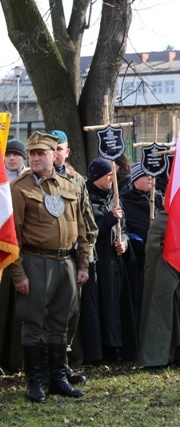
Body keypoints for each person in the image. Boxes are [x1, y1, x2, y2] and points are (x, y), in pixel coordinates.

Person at [8, 131, 90, 402]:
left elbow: (82, 230)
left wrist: (82, 264)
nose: (36, 158)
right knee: (33, 323)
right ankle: (35, 381)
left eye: (41, 153)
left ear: (54, 155)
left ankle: (58, 378)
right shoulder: (20, 189)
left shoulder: (69, 186)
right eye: (32, 154)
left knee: (60, 323)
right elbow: (11, 236)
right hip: (35, 262)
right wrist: (19, 273)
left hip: (66, 262)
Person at [48, 129, 99, 381]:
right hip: (44, 258)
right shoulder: (33, 178)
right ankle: (46, 367)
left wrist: (84, 262)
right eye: (52, 148)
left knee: (70, 312)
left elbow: (88, 223)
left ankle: (63, 363)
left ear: (67, 152)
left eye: (60, 148)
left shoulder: (77, 180)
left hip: (71, 256)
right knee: (46, 314)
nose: (56, 152)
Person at [81, 158, 137, 364]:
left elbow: (125, 228)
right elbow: (90, 229)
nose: (113, 180)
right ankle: (101, 351)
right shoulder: (86, 198)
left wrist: (124, 241)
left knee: (117, 303)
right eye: (108, 176)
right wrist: (110, 218)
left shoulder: (115, 198)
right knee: (100, 305)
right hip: (97, 261)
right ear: (97, 178)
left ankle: (119, 346)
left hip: (115, 262)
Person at [120, 162, 164, 326]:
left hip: (160, 259)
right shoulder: (124, 202)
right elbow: (125, 229)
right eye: (145, 174)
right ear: (135, 179)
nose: (150, 178)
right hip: (138, 262)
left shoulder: (159, 199)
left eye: (152, 174)